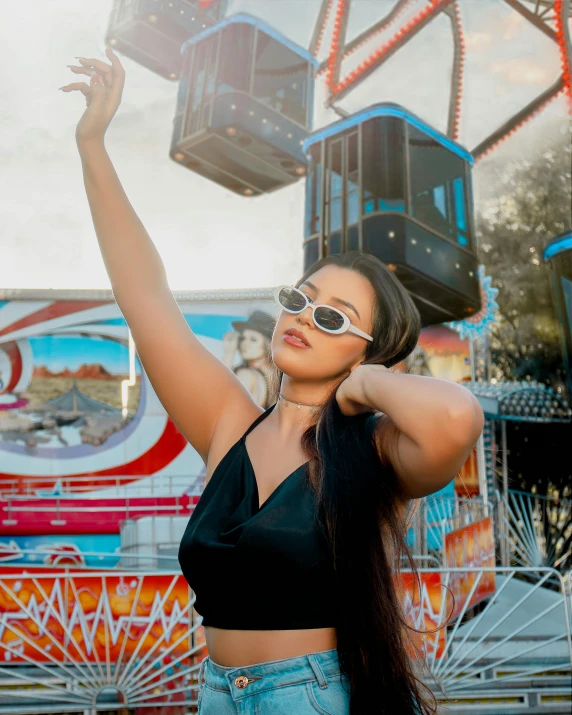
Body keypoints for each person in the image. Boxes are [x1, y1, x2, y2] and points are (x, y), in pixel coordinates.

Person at [62, 49, 484, 715]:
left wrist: (365, 387)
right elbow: (143, 294)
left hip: (312, 695)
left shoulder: (372, 452)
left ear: (368, 353)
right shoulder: (231, 425)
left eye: (332, 317)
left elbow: (456, 418)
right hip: (217, 692)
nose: (301, 318)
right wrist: (93, 144)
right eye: (300, 297)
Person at [221, 310, 278, 408]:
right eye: (243, 338)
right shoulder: (277, 379)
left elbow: (218, 402)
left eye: (253, 339)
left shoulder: (247, 375)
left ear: (268, 344)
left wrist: (228, 355)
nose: (245, 344)